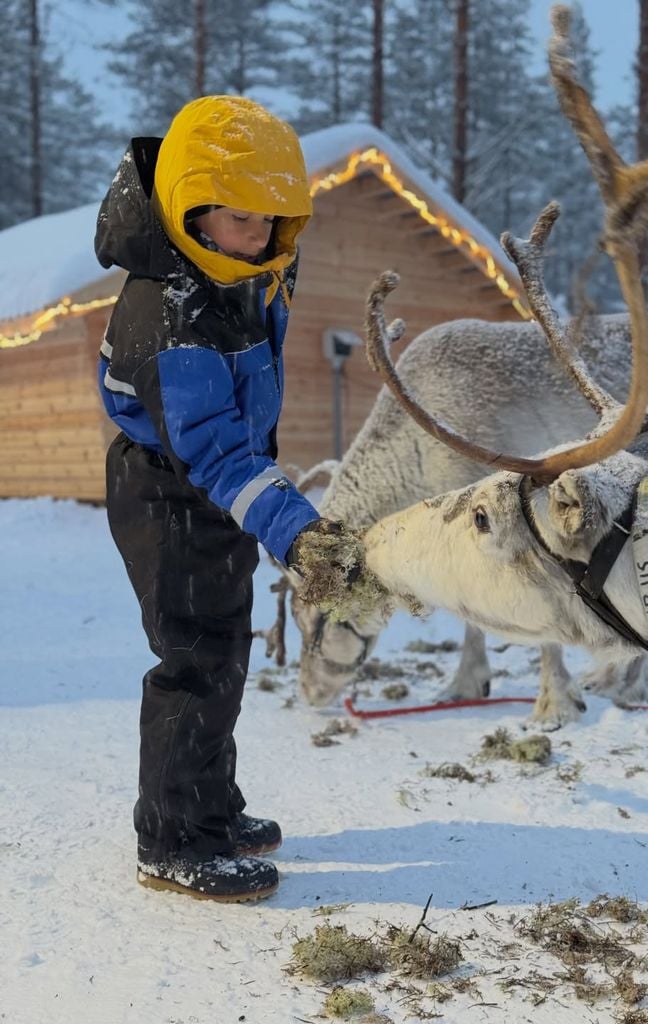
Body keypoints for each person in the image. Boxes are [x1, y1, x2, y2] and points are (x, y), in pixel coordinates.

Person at [95, 95, 360, 903]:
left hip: (221, 483)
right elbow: (210, 441)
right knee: (195, 659)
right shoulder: (170, 312)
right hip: (170, 492)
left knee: (228, 651)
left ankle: (210, 806)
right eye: (242, 219)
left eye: (273, 220)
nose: (260, 236)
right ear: (190, 210)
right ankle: (175, 839)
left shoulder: (240, 271)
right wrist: (296, 532)